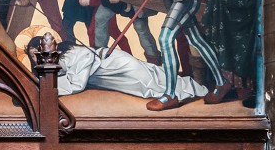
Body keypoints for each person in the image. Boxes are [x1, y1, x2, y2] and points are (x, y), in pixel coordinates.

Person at [27, 33, 209, 105]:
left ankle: (197, 89)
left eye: (39, 52)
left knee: (151, 83)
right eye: (33, 55)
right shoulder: (53, 62)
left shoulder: (75, 53)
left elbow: (76, 84)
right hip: (110, 77)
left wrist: (44, 88)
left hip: (117, 65)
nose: (37, 58)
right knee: (149, 84)